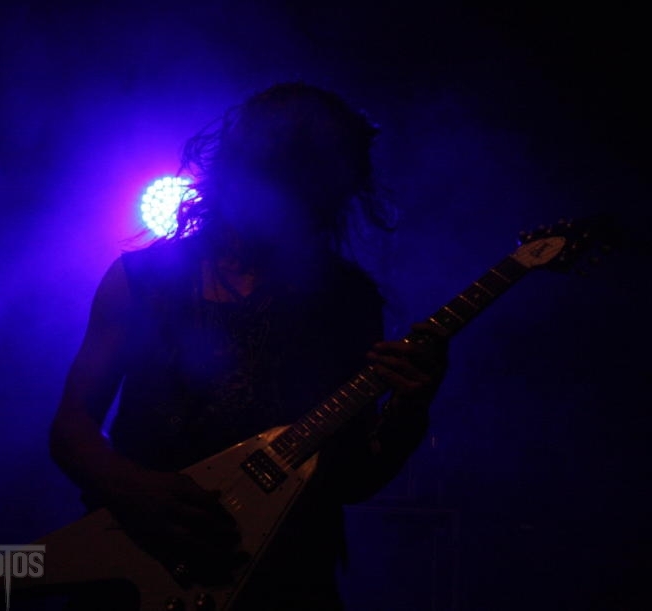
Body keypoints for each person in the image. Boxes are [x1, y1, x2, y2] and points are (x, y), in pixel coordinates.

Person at [49, 82, 448, 610]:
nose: (279, 201)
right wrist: (132, 488)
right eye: (271, 174)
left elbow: (352, 480)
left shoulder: (346, 300)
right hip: (136, 571)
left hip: (284, 583)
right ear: (235, 169)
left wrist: (410, 409)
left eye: (303, 185)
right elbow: (70, 431)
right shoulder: (142, 279)